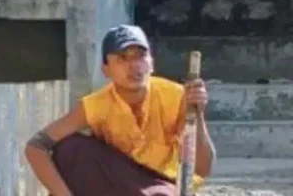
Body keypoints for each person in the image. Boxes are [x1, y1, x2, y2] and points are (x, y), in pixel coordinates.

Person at [24, 24, 216, 196]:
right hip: (117, 180)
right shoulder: (95, 105)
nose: (134, 67)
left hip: (161, 184)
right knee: (70, 148)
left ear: (151, 63)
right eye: (122, 58)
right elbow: (36, 146)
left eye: (140, 56)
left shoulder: (177, 96)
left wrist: (197, 114)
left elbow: (202, 168)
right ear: (106, 70)